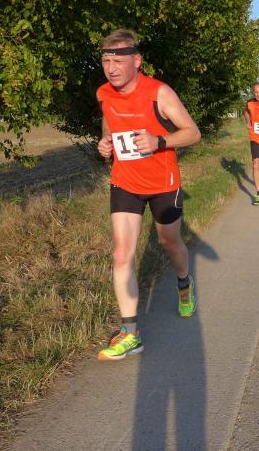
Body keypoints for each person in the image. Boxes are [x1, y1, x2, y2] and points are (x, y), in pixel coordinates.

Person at [96, 29, 201, 361]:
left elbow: (193, 133)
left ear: (136, 61)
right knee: (121, 255)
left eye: (118, 61)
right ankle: (131, 334)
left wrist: (160, 142)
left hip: (162, 182)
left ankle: (183, 283)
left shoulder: (159, 93)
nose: (111, 68)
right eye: (106, 60)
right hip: (125, 181)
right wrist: (106, 143)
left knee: (171, 243)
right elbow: (110, 124)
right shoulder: (104, 93)